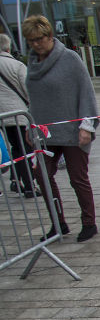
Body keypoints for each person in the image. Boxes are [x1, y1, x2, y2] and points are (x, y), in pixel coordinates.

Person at [23, 15, 99, 242]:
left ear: (50, 36)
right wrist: (31, 127)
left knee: (78, 177)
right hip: (45, 133)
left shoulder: (69, 59)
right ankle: (58, 222)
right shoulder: (32, 64)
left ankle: (89, 222)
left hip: (73, 131)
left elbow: (86, 92)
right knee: (42, 175)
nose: (36, 44)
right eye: (31, 40)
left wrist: (87, 126)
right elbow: (34, 100)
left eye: (40, 38)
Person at [0, 33, 40, 198]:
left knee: (13, 149)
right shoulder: (16, 65)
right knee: (23, 149)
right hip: (16, 115)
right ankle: (29, 185)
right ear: (8, 48)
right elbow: (29, 91)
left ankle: (16, 181)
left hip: (3, 115)